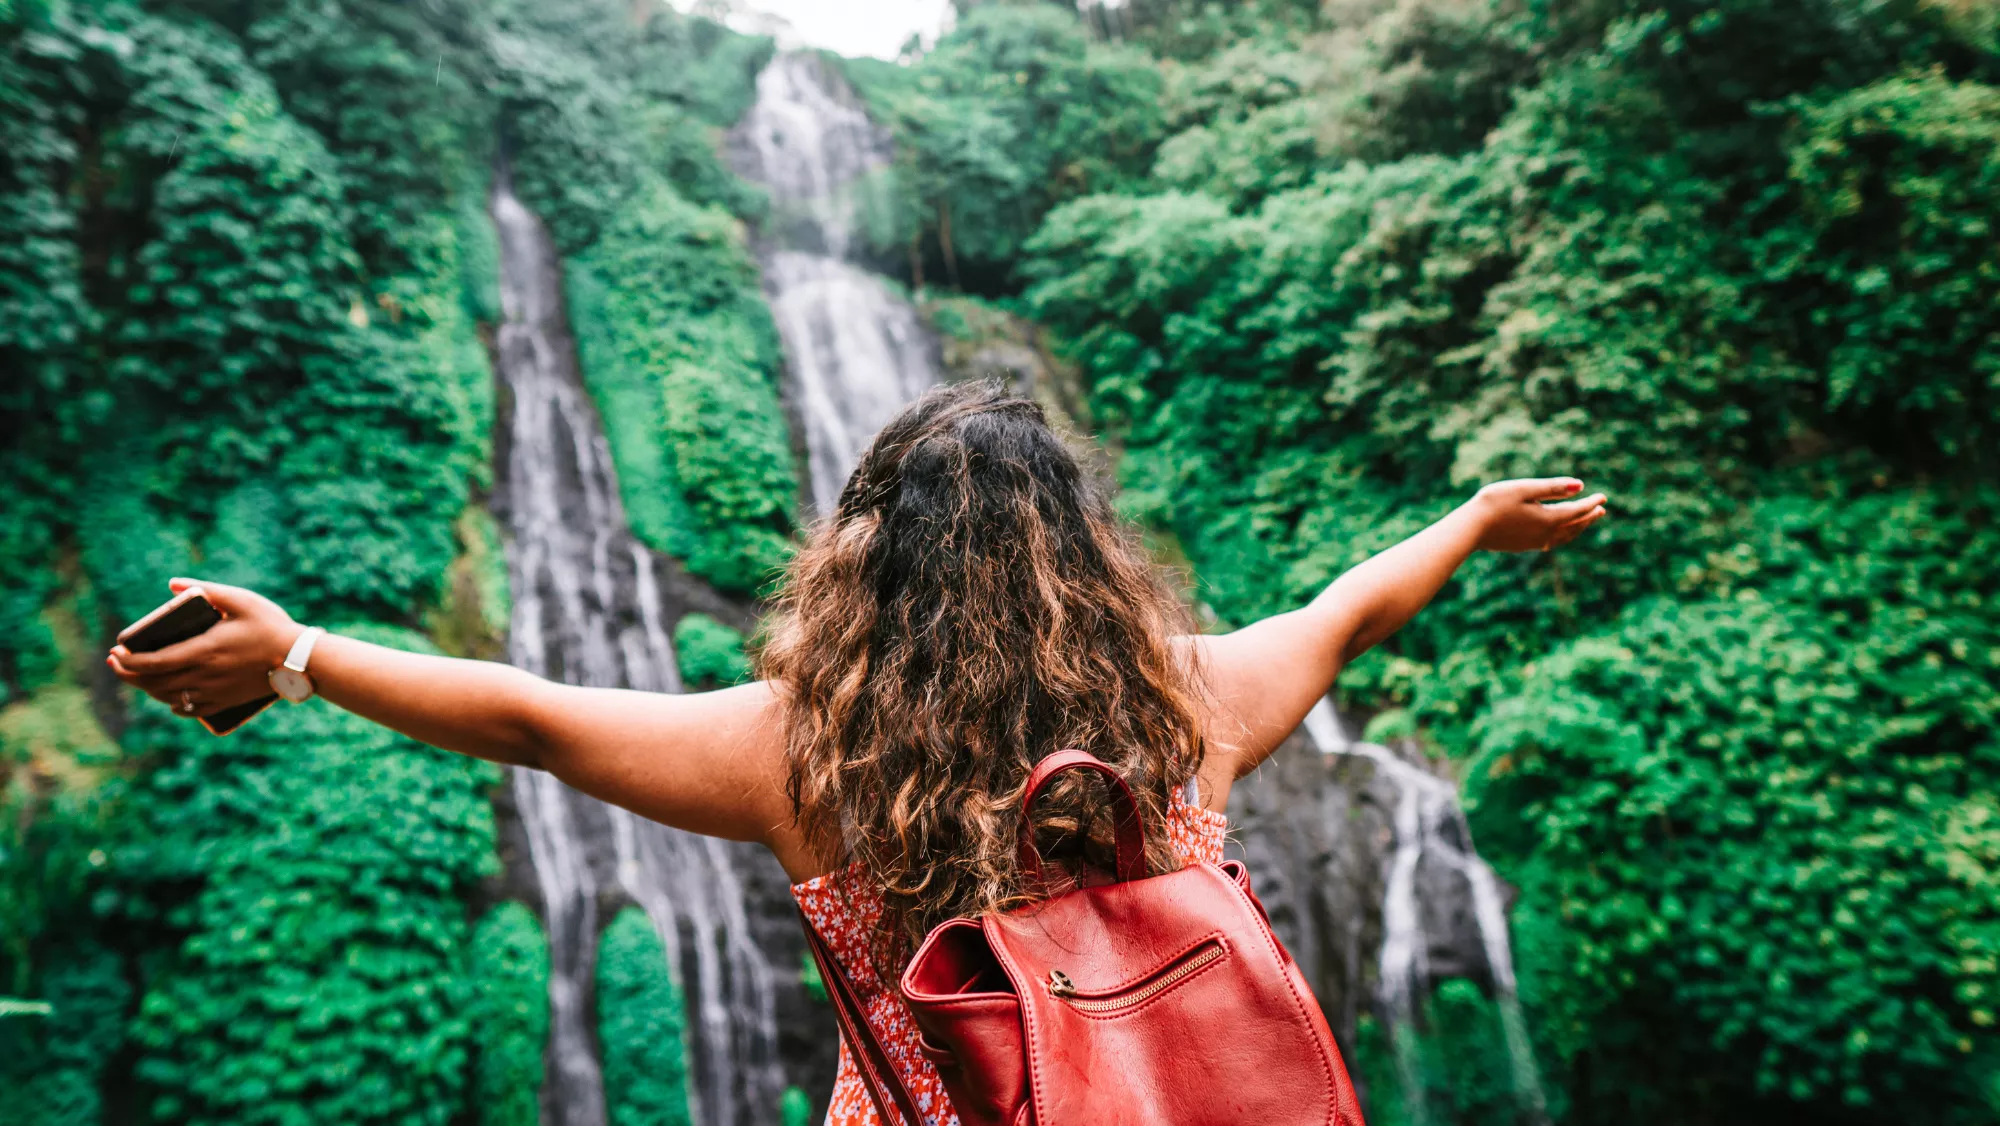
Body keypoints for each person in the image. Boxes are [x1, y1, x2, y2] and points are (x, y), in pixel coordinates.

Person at [106, 380, 1606, 1125]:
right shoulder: (1183, 705)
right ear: (1085, 556)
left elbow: (527, 714)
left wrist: (296, 653)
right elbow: (1347, 608)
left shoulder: (807, 756)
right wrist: (1473, 518)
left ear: (866, 561)